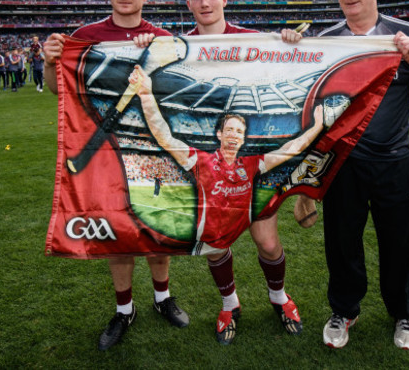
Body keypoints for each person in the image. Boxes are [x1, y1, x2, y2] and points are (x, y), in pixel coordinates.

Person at [296, 0, 409, 350]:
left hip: (394, 162)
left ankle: (404, 313)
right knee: (342, 245)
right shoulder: (326, 42)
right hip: (341, 165)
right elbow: (307, 112)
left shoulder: (404, 34)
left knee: (399, 244)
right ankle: (345, 310)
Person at [42, 0, 189, 352]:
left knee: (156, 228)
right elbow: (57, 90)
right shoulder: (85, 36)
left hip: (151, 147)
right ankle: (125, 309)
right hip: (104, 152)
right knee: (119, 234)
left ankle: (162, 297)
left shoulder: (162, 38)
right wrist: (49, 60)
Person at [128, 63, 325, 344]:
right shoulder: (200, 159)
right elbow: (164, 136)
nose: (234, 134)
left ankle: (279, 298)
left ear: (244, 138)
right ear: (219, 134)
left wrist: (316, 126)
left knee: (269, 245)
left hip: (248, 212)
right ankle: (230, 305)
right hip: (216, 225)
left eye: (239, 131)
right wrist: (147, 95)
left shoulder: (253, 163)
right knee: (216, 248)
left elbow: (290, 149)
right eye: (229, 129)